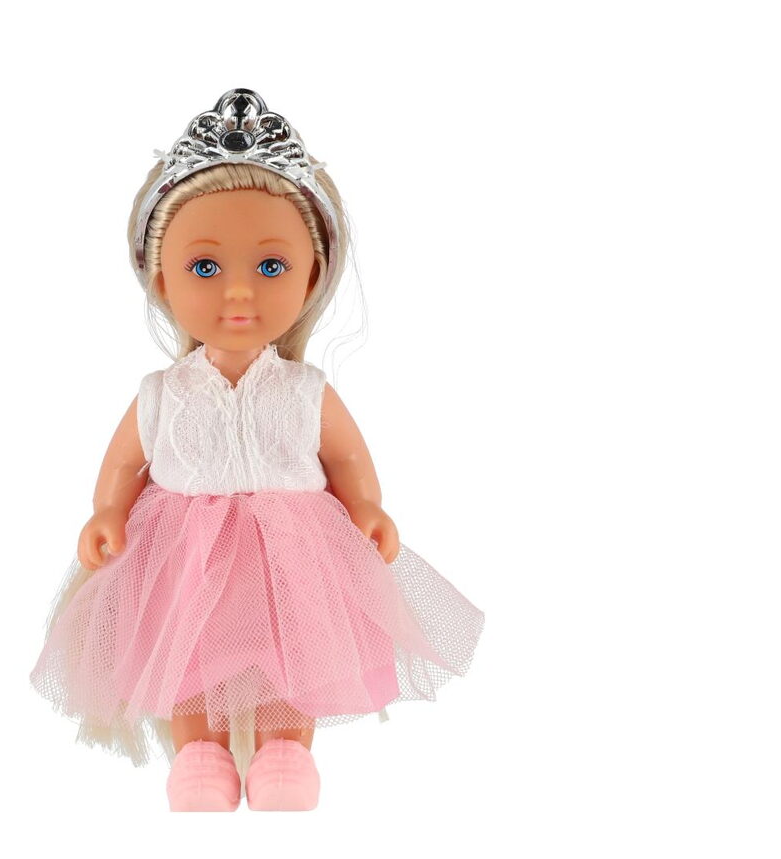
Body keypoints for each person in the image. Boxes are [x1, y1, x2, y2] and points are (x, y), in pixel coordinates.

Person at [29, 89, 484, 811]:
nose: (238, 292)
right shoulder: (162, 392)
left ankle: (284, 752)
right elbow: (124, 462)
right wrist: (106, 511)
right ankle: (199, 753)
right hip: (181, 552)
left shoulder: (304, 390)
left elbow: (346, 459)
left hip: (292, 554)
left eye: (270, 268)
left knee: (290, 652)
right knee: (189, 655)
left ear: (311, 278)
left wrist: (366, 506)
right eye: (205, 269)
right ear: (161, 280)